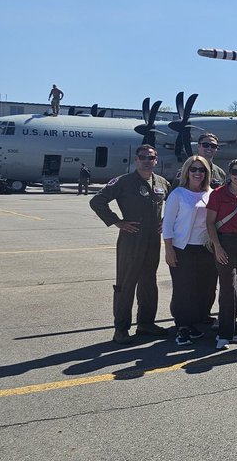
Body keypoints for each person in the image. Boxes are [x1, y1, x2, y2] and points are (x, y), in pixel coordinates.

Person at [89, 144, 171, 344]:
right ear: (136, 160)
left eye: (150, 157)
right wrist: (117, 221)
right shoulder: (124, 182)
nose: (146, 160)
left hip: (152, 241)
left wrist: (167, 221)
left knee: (149, 284)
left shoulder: (161, 182)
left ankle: (146, 324)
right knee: (126, 285)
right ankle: (121, 329)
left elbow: (176, 202)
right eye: (142, 157)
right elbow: (97, 201)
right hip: (131, 240)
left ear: (156, 160)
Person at [163, 156, 217, 346]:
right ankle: (183, 327)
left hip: (205, 249)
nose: (197, 173)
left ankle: (195, 322)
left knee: (203, 289)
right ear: (187, 171)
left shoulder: (211, 193)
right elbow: (167, 224)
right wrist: (169, 250)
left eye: (201, 170)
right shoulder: (178, 194)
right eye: (194, 169)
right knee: (183, 290)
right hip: (182, 248)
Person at [205, 158, 237, 349]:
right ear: (229, 173)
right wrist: (217, 247)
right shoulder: (218, 194)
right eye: (236, 172)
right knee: (229, 288)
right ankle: (223, 334)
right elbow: (210, 222)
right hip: (225, 242)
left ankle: (232, 329)